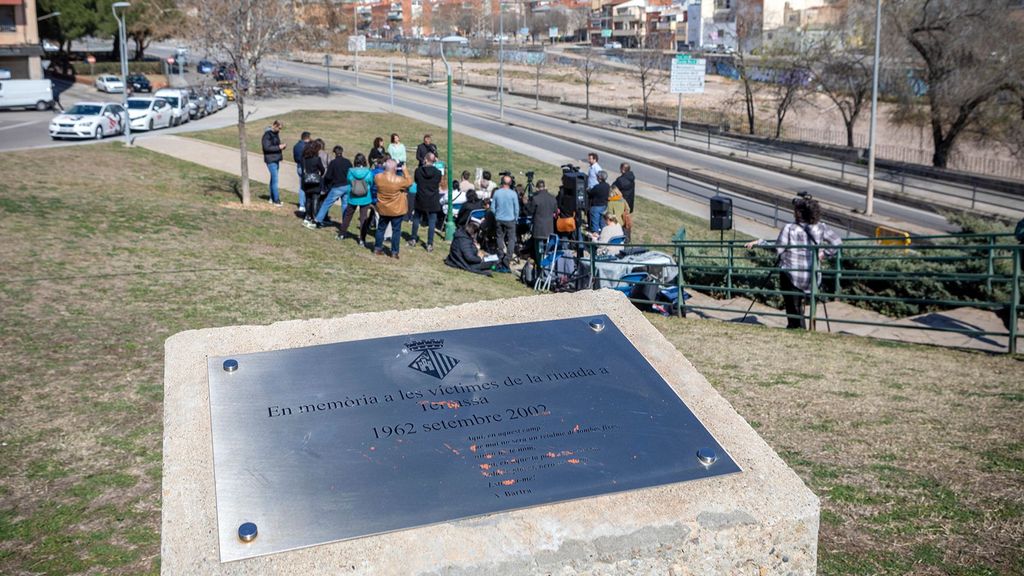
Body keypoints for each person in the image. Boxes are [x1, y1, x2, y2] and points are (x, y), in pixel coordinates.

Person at [744, 193, 842, 329]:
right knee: (802, 306)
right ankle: (804, 327)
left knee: (793, 307)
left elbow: (778, 250)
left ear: (798, 213)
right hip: (812, 276)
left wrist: (760, 242)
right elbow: (837, 243)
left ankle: (796, 328)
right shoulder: (821, 227)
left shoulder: (789, 228)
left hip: (791, 275)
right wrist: (823, 254)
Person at [373, 160, 414, 259]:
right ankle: (394, 252)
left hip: (383, 208)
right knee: (396, 230)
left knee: (380, 229)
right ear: (395, 169)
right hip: (396, 209)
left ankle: (377, 248)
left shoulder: (378, 177)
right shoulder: (399, 180)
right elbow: (410, 182)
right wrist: (405, 171)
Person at [306, 145, 352, 229]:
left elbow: (328, 176)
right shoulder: (348, 162)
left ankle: (317, 220)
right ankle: (345, 223)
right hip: (347, 186)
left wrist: (326, 185)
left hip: (337, 187)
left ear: (334, 153)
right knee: (345, 205)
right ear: (342, 152)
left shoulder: (333, 163)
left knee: (326, 204)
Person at [338, 153, 375, 245]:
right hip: (365, 197)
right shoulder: (368, 172)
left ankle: (341, 234)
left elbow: (348, 180)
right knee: (363, 218)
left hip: (353, 196)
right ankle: (362, 239)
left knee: (348, 216)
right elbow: (371, 182)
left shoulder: (350, 171)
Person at [410, 153, 443, 251]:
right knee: (432, 222)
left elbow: (416, 181)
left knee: (416, 219)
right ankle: (429, 243)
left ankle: (413, 239)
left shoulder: (418, 171)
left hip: (421, 198)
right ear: (434, 160)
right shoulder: (437, 173)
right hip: (432, 199)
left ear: (425, 159)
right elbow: (438, 182)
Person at [491, 175, 519, 272]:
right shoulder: (513, 194)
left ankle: (500, 254)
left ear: (502, 182)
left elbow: (492, 207)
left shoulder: (497, 193)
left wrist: (496, 215)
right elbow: (517, 208)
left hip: (499, 218)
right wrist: (515, 218)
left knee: (500, 237)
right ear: (510, 183)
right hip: (510, 219)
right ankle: (507, 258)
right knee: (511, 240)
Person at [526, 179, 557, 264]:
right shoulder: (552, 198)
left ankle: (540, 267)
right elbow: (555, 211)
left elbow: (530, 211)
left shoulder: (536, 199)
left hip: (539, 230)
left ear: (537, 188)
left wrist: (526, 203)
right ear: (544, 187)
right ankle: (547, 267)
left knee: (539, 252)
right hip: (549, 229)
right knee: (548, 251)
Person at [299, 140, 325, 223]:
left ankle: (307, 216)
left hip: (306, 181)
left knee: (308, 199)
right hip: (315, 181)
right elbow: (322, 169)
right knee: (315, 199)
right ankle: (314, 217)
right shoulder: (317, 159)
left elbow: (303, 169)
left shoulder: (303, 159)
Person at [261, 120, 286, 206]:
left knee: (273, 180)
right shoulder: (267, 135)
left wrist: (281, 147)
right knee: (275, 180)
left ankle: (271, 198)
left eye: (280, 129)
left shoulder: (275, 134)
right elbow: (267, 148)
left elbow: (275, 145)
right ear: (274, 125)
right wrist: (279, 147)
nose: (279, 130)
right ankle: (276, 200)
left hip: (276, 159)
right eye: (279, 128)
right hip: (270, 160)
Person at [293, 131, 312, 212]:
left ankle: (301, 204)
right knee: (307, 186)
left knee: (301, 186)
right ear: (307, 138)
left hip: (299, 166)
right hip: (305, 167)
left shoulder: (296, 146)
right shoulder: (306, 147)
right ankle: (306, 203)